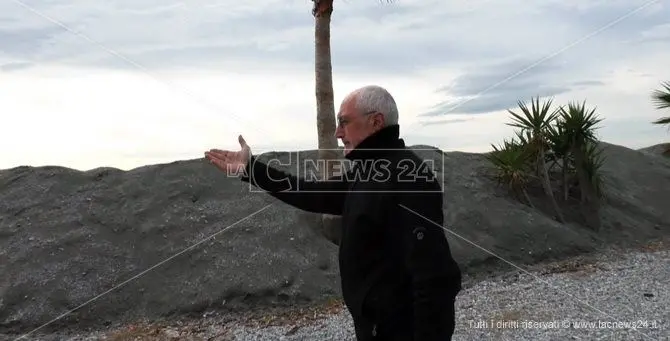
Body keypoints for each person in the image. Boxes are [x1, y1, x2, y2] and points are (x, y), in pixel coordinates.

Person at [205, 85, 462, 341]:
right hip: (373, 327)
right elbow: (312, 193)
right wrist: (250, 169)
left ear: (376, 121)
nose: (338, 133)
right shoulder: (369, 170)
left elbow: (435, 277)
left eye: (344, 122)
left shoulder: (408, 176)